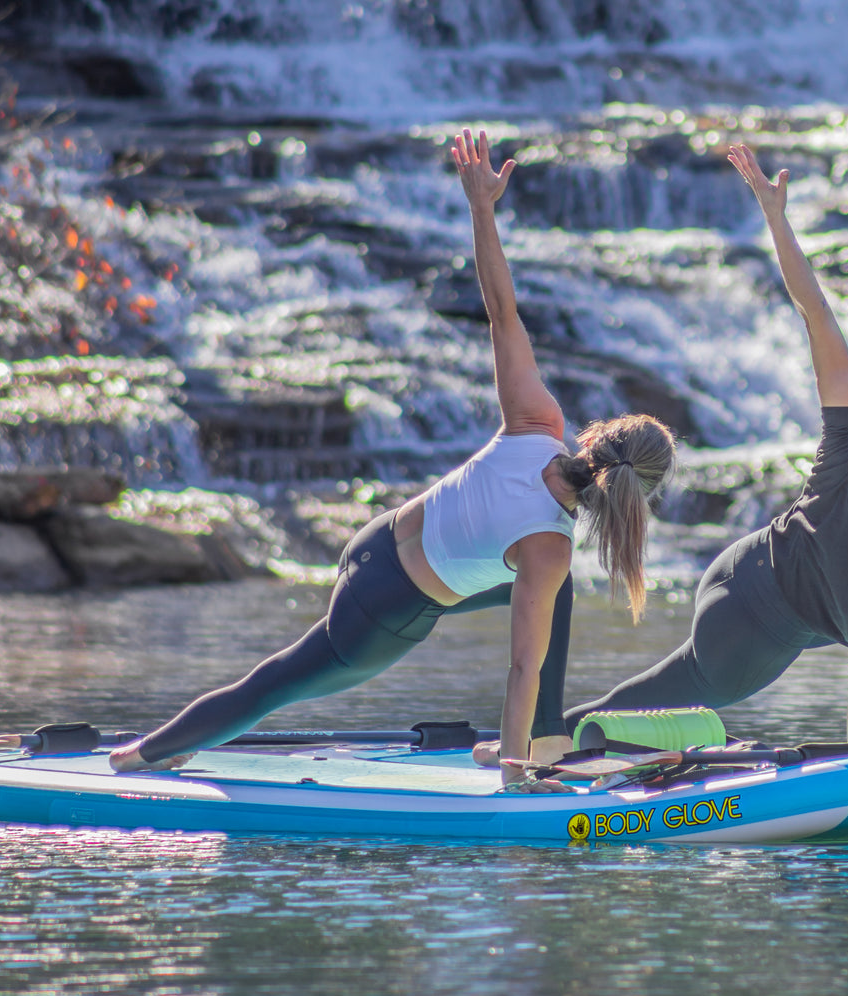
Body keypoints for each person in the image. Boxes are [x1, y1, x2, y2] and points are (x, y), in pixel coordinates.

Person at [110, 129, 677, 787]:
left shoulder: (537, 423)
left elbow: (502, 313)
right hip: (383, 609)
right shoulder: (547, 546)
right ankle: (141, 756)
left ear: (599, 437)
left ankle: (538, 741)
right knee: (276, 684)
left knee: (553, 594)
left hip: (376, 540)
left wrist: (482, 207)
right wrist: (513, 780)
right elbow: (523, 667)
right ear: (631, 501)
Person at [562, 144, 848, 749]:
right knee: (650, 710)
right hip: (747, 628)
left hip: (741, 574)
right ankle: (548, 739)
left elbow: (816, 313)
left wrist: (776, 218)